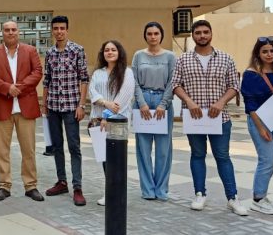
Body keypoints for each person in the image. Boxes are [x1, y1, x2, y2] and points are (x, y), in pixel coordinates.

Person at [170, 20, 247, 216]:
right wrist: (189, 101)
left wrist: (221, 102)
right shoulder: (183, 59)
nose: (202, 35)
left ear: (211, 34)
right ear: (193, 35)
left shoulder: (226, 58)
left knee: (222, 157)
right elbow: (175, 84)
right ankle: (199, 194)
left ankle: (232, 198)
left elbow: (234, 85)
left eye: (205, 32)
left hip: (219, 117)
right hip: (194, 116)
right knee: (197, 155)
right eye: (198, 33)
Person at [0, 20, 44, 202]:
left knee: (29, 150)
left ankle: (31, 185)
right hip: (2, 106)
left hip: (26, 106)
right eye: (7, 30)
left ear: (19, 32)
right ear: (2, 32)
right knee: (1, 150)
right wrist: (7, 88)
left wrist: (20, 87)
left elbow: (38, 72)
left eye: (14, 30)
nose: (10, 32)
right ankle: (4, 185)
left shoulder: (30, 51)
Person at [42, 15, 89, 206]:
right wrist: (44, 104)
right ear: (52, 31)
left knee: (74, 147)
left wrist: (82, 105)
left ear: (67, 30)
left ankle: (77, 186)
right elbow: (47, 80)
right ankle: (61, 181)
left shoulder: (77, 50)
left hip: (71, 107)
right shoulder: (50, 53)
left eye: (62, 28)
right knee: (57, 146)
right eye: (56, 28)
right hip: (53, 106)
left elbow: (84, 78)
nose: (59, 31)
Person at [240, 36, 273, 215]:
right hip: (260, 122)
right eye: (265, 51)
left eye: (272, 51)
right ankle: (258, 199)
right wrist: (260, 128)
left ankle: (263, 195)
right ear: (258, 54)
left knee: (271, 161)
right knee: (266, 160)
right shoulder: (251, 74)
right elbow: (250, 104)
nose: (269, 54)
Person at [132, 22, 176, 201]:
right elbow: (133, 81)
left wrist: (163, 104)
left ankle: (161, 189)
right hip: (142, 100)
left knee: (164, 149)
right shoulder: (138, 55)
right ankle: (148, 190)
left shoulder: (170, 56)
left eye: (156, 33)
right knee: (143, 148)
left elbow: (173, 81)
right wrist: (141, 103)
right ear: (145, 36)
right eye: (149, 33)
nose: (152, 36)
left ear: (161, 35)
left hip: (162, 102)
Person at [89, 40, 135, 206]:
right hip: (97, 121)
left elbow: (125, 95)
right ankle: (109, 192)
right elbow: (92, 92)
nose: (109, 52)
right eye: (106, 50)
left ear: (119, 52)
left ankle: (118, 192)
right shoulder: (97, 73)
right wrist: (106, 104)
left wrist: (107, 115)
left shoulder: (127, 72)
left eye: (113, 50)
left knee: (117, 158)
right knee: (105, 159)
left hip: (117, 122)